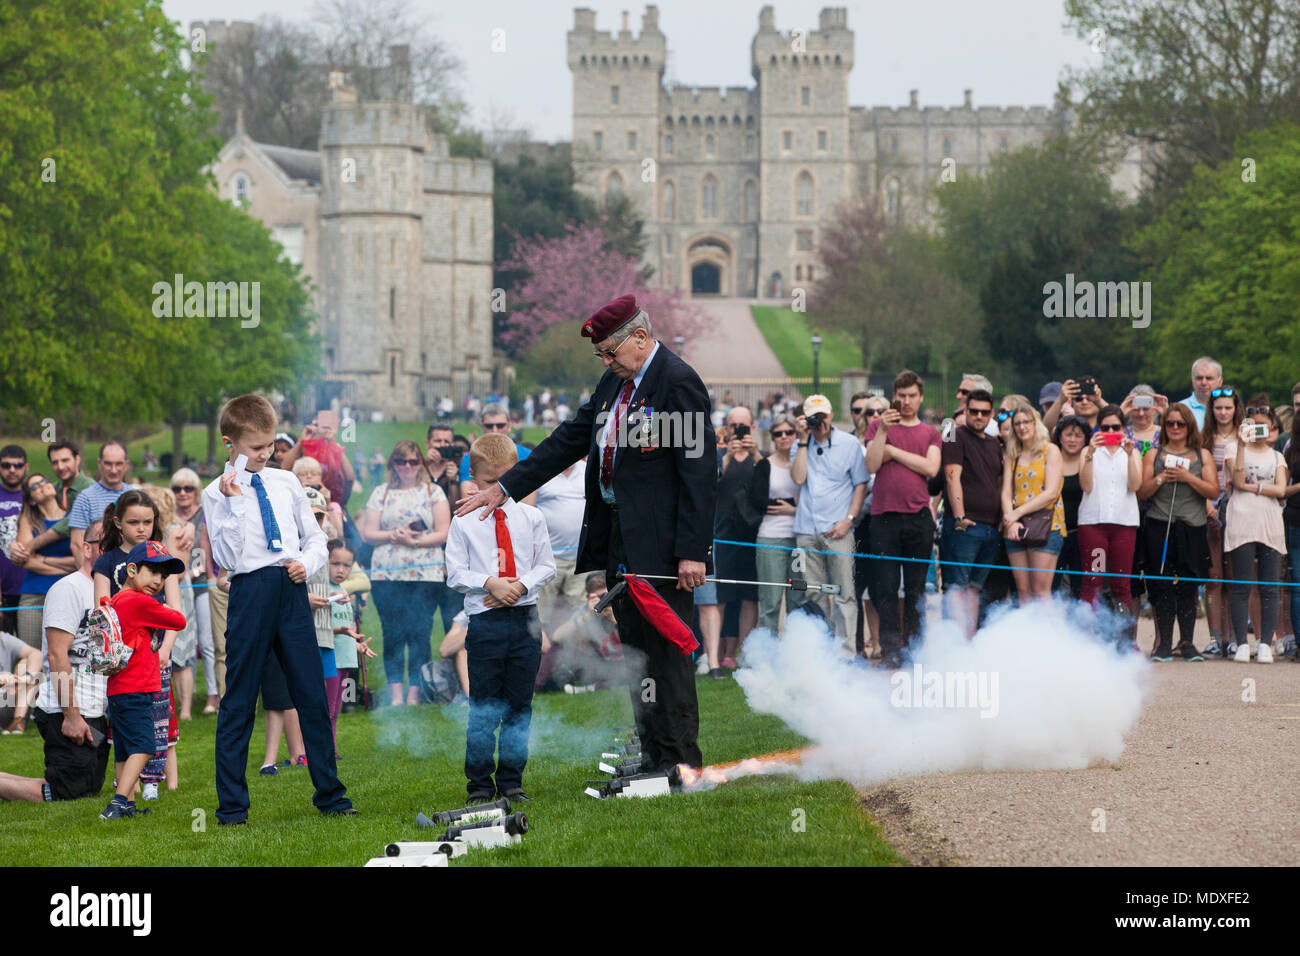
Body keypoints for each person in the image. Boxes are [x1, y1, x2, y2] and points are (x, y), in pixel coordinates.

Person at [455, 293, 716, 773]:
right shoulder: (613, 384)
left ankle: (681, 759)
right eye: (601, 355)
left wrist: (692, 552)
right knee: (635, 652)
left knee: (666, 651)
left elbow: (699, 472)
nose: (605, 361)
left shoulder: (677, 382)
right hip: (619, 537)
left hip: (662, 547)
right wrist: (505, 488)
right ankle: (653, 752)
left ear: (641, 338)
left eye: (610, 352)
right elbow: (568, 441)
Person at [202, 393, 353, 824]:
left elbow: (316, 538)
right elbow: (229, 558)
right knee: (240, 700)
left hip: (290, 586)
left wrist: (306, 564)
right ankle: (232, 808)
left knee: (309, 692)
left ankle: (331, 796)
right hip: (250, 591)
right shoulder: (217, 493)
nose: (265, 454)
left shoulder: (286, 482)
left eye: (270, 445)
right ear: (229, 442)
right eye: (255, 448)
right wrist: (232, 501)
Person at [446, 433, 556, 802]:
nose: (498, 488)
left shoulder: (532, 517)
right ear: (474, 479)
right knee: (484, 708)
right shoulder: (463, 521)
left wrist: (519, 587)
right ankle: (479, 784)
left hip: (525, 621)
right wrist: (491, 583)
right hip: (486, 625)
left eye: (506, 479)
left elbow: (547, 566)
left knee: (519, 706)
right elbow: (455, 574)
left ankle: (512, 780)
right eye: (490, 481)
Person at [0, 521, 111, 802]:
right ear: (86, 548)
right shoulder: (69, 589)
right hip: (66, 708)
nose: (110, 549)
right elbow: (56, 655)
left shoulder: (111, 591)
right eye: (103, 542)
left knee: (87, 788)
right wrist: (72, 716)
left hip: (97, 708)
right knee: (64, 792)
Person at [99, 541, 188, 819]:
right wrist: (160, 605)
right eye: (154, 572)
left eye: (164, 576)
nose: (159, 581)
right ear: (133, 570)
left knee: (124, 750)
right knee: (145, 746)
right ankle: (116, 803)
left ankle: (126, 804)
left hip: (120, 689)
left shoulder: (117, 599)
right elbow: (178, 620)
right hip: (135, 688)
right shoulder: (137, 601)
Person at [361, 439, 451, 707]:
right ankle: (396, 694)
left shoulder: (433, 491)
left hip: (426, 572)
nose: (408, 466)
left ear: (421, 463)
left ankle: (415, 694)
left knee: (420, 633)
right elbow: (368, 533)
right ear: (393, 464)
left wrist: (412, 541)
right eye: (402, 461)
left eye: (414, 461)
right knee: (393, 633)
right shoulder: (381, 492)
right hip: (387, 573)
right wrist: (393, 535)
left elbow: (443, 531)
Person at [864, 372, 940, 667]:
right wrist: (883, 432)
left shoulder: (930, 432)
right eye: (902, 395)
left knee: (916, 587)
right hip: (884, 516)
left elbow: (931, 467)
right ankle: (891, 647)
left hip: (918, 517)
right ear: (895, 396)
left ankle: (915, 645)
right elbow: (871, 464)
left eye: (912, 396)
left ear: (920, 397)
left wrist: (892, 452)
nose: (906, 401)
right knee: (885, 586)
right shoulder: (877, 426)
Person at [1136, 402, 1219, 662]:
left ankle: (1187, 642)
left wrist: (1188, 478)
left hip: (1192, 527)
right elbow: (1141, 492)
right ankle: (1163, 645)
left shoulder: (1202, 454)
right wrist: (1162, 478)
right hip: (1160, 525)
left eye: (1179, 423)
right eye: (1170, 423)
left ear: (1188, 426)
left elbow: (1214, 492)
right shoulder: (1153, 454)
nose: (1174, 428)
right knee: (1161, 586)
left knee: (1188, 586)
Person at [791, 394, 870, 655]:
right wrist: (803, 441)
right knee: (812, 592)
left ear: (831, 415)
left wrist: (849, 520)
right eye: (814, 417)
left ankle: (845, 653)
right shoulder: (800, 444)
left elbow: (861, 484)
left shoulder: (849, 444)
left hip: (839, 529)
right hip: (806, 529)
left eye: (822, 416)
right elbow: (798, 478)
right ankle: (819, 651)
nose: (819, 422)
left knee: (844, 594)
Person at [1223, 396, 1288, 663]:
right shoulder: (1232, 447)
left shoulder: (1277, 455)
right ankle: (1240, 642)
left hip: (1270, 523)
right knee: (1241, 585)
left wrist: (1254, 487)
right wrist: (1240, 443)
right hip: (1241, 522)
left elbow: (1281, 489)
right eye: (1254, 425)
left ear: (1273, 426)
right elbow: (1236, 479)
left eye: (1264, 425)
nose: (1259, 430)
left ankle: (1265, 643)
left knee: (1270, 587)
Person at [939, 389, 1002, 638]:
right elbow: (951, 476)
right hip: (964, 525)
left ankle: (969, 641)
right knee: (957, 587)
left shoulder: (994, 443)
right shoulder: (955, 436)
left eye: (983, 412)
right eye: (973, 411)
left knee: (974, 588)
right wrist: (958, 517)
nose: (978, 416)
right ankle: (954, 643)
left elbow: (998, 481)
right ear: (965, 411)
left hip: (991, 526)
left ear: (991, 414)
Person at [1077, 405, 1142, 628]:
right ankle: (1086, 634)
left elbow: (1135, 485)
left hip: (1124, 524)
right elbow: (1085, 486)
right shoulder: (1089, 452)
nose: (1111, 432)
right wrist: (1090, 455)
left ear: (1124, 428)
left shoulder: (1132, 452)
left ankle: (1124, 638)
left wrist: (1131, 454)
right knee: (1093, 580)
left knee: (1121, 584)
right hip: (1094, 525)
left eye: (1116, 427)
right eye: (1105, 428)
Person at [709, 404, 761, 671]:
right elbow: (711, 484)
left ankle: (744, 652)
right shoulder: (718, 455)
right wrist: (726, 456)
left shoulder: (760, 457)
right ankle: (717, 653)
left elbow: (767, 481)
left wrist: (753, 451)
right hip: (724, 533)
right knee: (721, 596)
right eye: (733, 426)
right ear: (725, 428)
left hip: (752, 534)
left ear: (752, 428)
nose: (738, 431)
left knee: (749, 595)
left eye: (743, 426)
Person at [1001, 402, 1066, 604]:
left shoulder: (1051, 450)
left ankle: (1045, 635)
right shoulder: (1012, 453)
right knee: (1023, 591)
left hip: (1046, 524)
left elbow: (1051, 493)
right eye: (1017, 423)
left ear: (1035, 423)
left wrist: (1015, 514)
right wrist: (1011, 521)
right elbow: (1005, 490)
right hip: (1015, 526)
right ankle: (1027, 635)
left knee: (1040, 590)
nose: (1022, 427)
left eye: (1027, 422)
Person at [1198, 386, 1243, 656]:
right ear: (1211, 411)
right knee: (1214, 577)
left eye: (1228, 407)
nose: (1223, 412)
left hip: (1240, 508)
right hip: (1210, 509)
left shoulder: (1244, 435)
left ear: (1236, 408)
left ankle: (1236, 636)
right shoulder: (1204, 438)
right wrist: (1207, 505)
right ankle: (1216, 637)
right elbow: (1198, 472)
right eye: (1218, 408)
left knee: (1236, 577)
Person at [170, 468, 218, 715]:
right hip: (173, 586)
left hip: (199, 584)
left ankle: (213, 695)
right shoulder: (168, 515)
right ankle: (181, 700)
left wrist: (208, 576)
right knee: (179, 642)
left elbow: (206, 546)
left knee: (207, 642)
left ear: (196, 491)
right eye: (178, 488)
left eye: (188, 488)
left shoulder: (204, 514)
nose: (183, 493)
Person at [749, 412, 800, 636]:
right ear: (772, 438)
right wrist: (794, 503)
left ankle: (797, 652)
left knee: (798, 598)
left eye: (789, 432)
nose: (784, 437)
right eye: (778, 434)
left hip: (801, 539)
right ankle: (767, 654)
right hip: (771, 538)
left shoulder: (806, 461)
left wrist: (794, 509)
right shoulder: (765, 465)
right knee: (770, 600)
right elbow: (759, 502)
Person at [15, 472, 76, 651]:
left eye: (45, 480)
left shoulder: (73, 517)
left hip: (66, 596)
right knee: (31, 656)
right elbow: (27, 562)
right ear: (31, 500)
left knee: (64, 654)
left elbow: (80, 561)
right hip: (34, 597)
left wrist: (43, 559)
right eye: (35, 486)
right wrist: (66, 569)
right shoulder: (29, 521)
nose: (43, 485)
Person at [9, 440, 93, 571]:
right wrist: (14, 545)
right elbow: (29, 510)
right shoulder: (53, 489)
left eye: (65, 460)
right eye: (55, 462)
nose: (60, 466)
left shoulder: (89, 489)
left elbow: (68, 522)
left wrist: (32, 546)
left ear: (77, 459)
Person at [536, 572, 624, 692]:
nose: (603, 600)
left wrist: (611, 617)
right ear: (589, 598)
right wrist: (587, 616)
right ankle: (536, 686)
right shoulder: (586, 610)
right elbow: (556, 637)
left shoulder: (621, 605)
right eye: (597, 597)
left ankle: (587, 688)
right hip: (602, 663)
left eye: (605, 596)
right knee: (563, 647)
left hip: (624, 661)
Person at [534, 457, 589, 624]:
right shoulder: (542, 470)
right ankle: (542, 648)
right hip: (549, 557)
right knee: (541, 612)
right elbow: (527, 508)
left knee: (579, 614)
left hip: (581, 556)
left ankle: (574, 650)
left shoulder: (587, 469)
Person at [1052, 415, 1089, 599]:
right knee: (1051, 586)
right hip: (1053, 532)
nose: (1073, 440)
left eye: (1078, 435)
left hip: (1080, 533)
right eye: (1068, 434)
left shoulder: (1091, 461)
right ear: (1060, 437)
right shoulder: (1050, 459)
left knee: (1080, 589)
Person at [457, 404, 533, 483]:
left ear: (509, 425)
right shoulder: (470, 459)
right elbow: (468, 491)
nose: (494, 430)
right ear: (482, 427)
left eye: (500, 425)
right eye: (489, 426)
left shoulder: (527, 456)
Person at [0, 445, 28, 636]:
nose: (12, 470)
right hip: (3, 590)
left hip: (31, 590)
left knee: (33, 654)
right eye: (6, 465)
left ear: (26, 467)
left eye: (17, 465)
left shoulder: (35, 496)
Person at [0, 631, 41, 733]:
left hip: (8, 699)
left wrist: (27, 677)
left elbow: (37, 654)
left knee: (25, 663)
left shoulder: (3, 639)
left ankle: (18, 721)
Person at [1181, 356, 1224, 430]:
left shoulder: (1230, 409)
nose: (1204, 382)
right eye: (1199, 378)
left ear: (1220, 382)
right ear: (1192, 381)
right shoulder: (1180, 409)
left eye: (1209, 378)